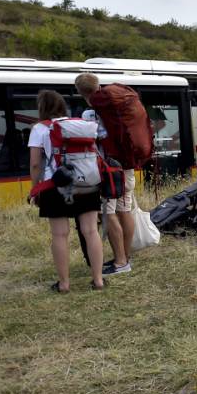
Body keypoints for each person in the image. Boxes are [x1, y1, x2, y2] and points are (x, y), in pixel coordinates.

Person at [28, 90, 105, 292]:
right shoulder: (80, 125)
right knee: (91, 231)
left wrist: (35, 189)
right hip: (87, 184)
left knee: (60, 235)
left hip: (55, 185)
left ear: (41, 107)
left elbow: (35, 164)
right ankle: (98, 280)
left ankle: (64, 284)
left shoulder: (39, 128)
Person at [74, 73, 134, 276]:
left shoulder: (89, 114)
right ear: (98, 86)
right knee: (125, 210)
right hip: (126, 165)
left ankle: (121, 262)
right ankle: (126, 257)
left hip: (108, 170)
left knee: (110, 213)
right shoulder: (117, 106)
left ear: (80, 92)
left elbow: (89, 143)